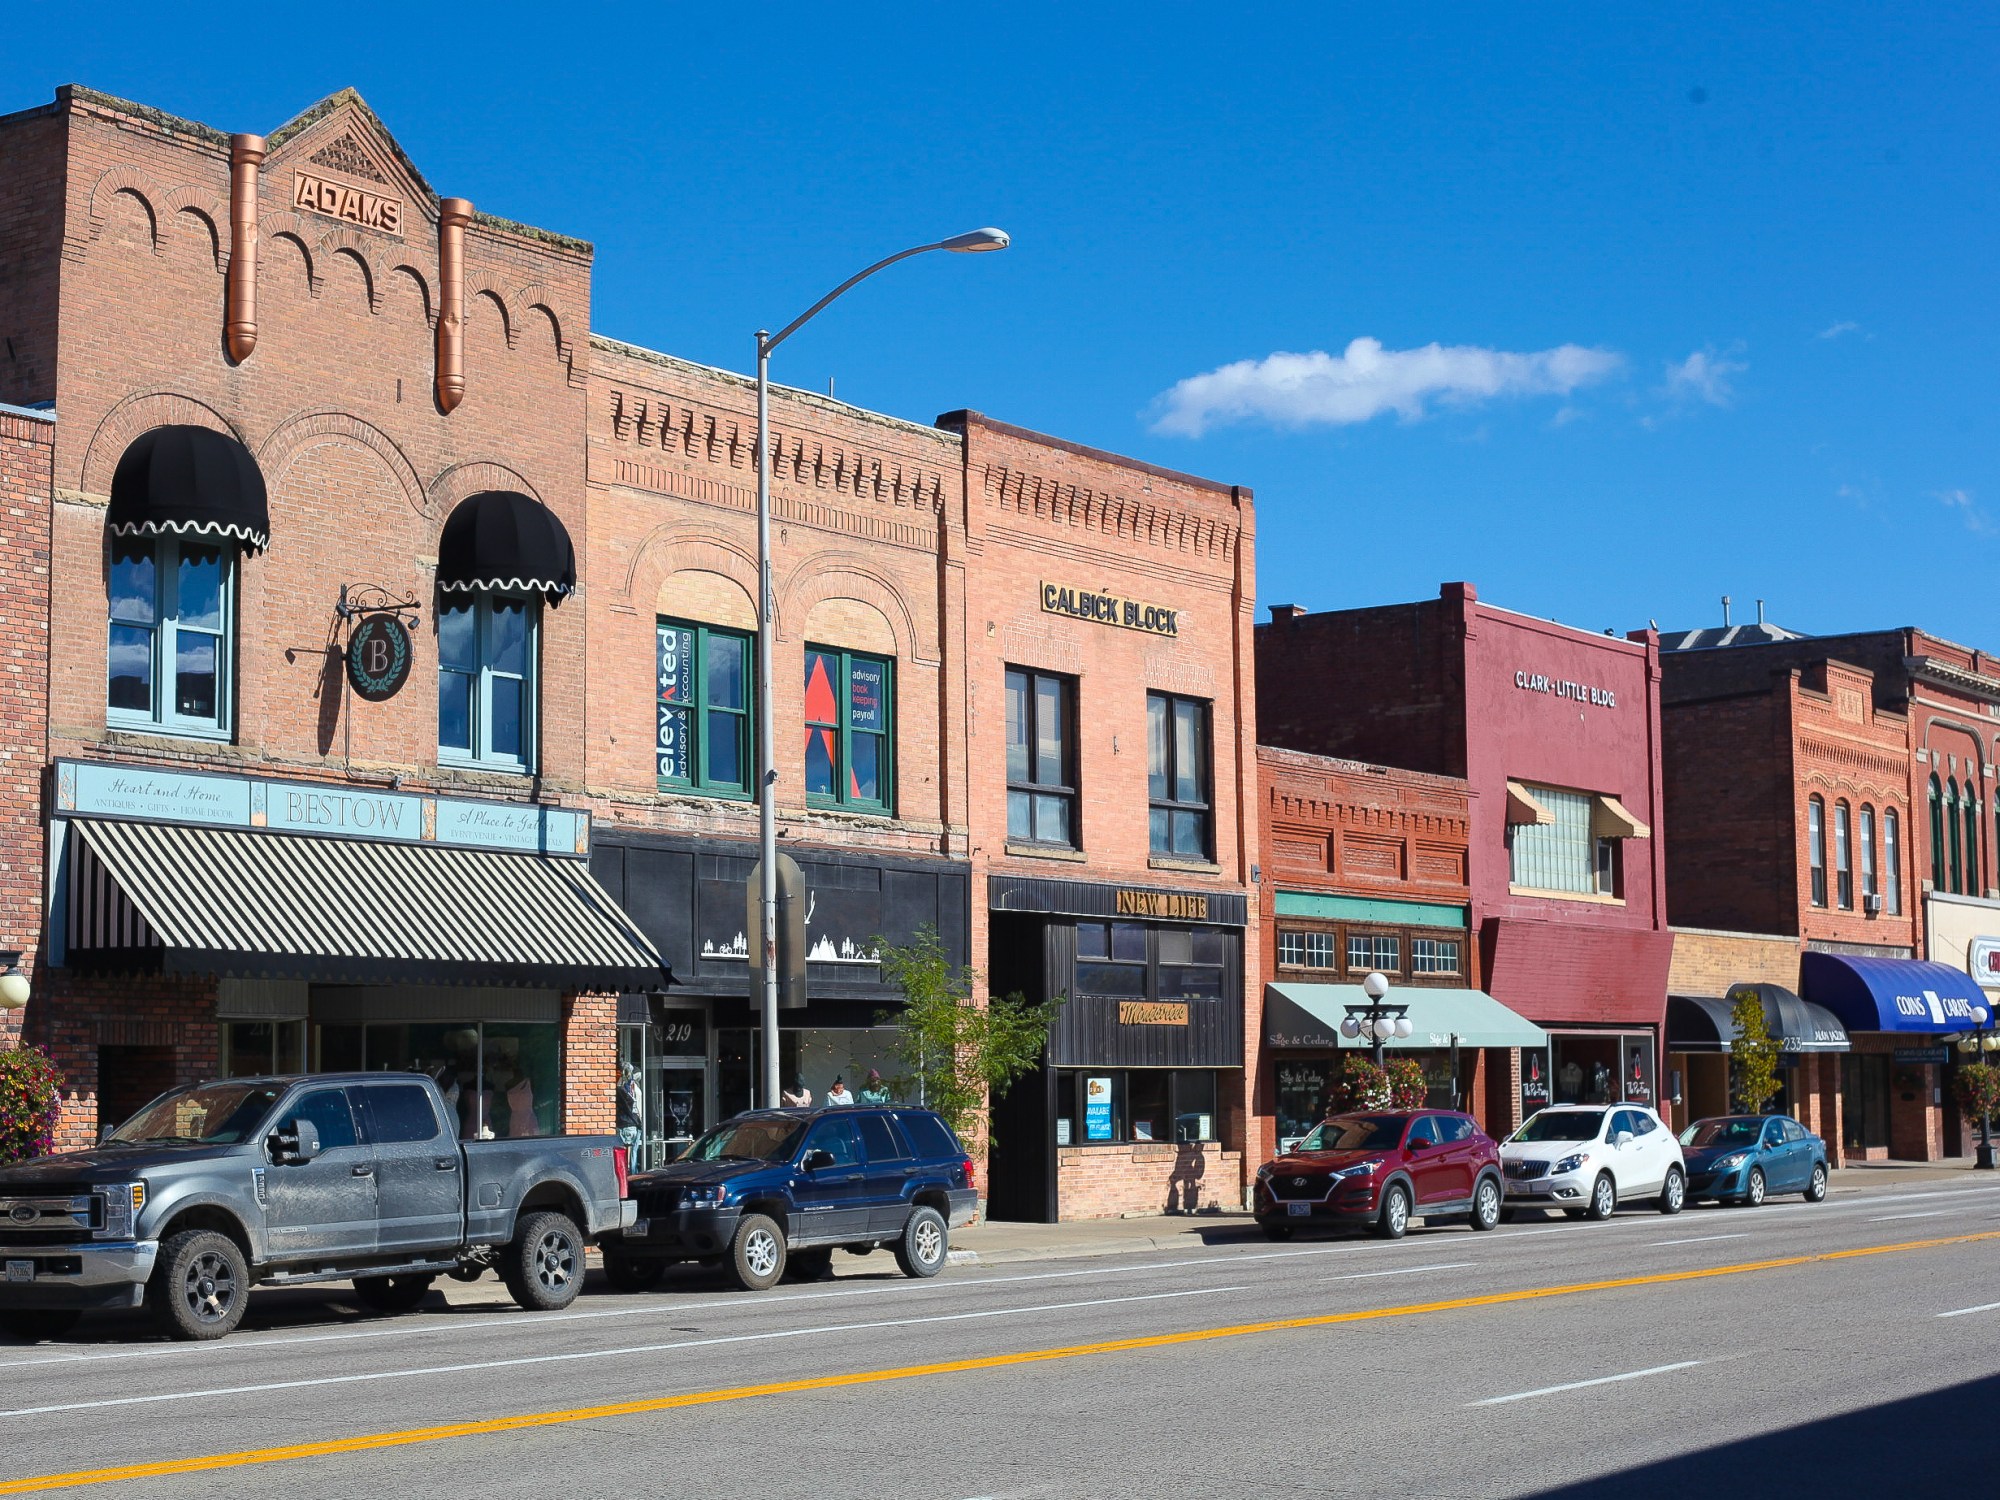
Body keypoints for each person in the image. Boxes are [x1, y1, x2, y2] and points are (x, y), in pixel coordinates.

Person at [615, 1064, 643, 1151]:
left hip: (627, 1123)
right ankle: (631, 1165)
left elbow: (628, 1103)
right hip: (635, 1122)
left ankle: (627, 1165)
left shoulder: (624, 1089)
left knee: (625, 1152)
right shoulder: (635, 1089)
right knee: (632, 1152)